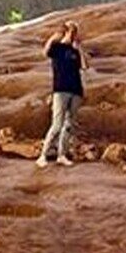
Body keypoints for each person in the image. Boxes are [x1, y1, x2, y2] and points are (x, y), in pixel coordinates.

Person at [36, 21, 90, 169]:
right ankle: (43, 155)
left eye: (75, 31)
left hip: (76, 90)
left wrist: (79, 49)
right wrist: (53, 38)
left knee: (69, 124)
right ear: (65, 31)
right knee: (57, 124)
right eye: (71, 31)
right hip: (61, 90)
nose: (73, 34)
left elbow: (84, 66)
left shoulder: (74, 51)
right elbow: (45, 52)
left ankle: (62, 154)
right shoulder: (57, 48)